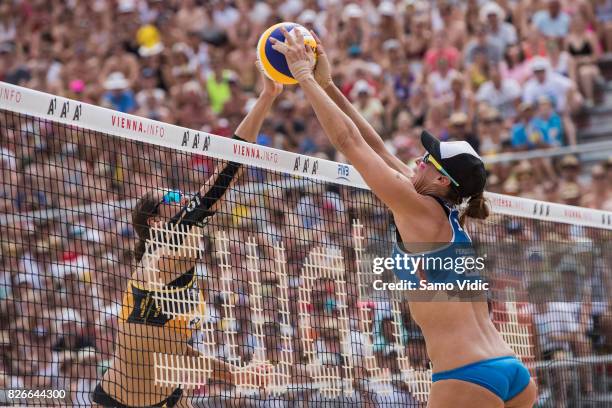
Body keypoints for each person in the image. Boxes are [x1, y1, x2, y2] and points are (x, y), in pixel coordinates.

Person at [270, 28, 537, 408]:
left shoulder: (420, 209)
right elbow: (377, 144)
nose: (417, 159)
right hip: (510, 370)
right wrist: (329, 86)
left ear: (442, 179)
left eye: (427, 160)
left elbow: (349, 143)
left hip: (468, 373)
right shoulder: (439, 208)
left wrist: (304, 76)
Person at [91, 66, 281, 408]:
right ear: (154, 222)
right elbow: (172, 261)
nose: (180, 201)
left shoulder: (182, 246)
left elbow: (230, 166)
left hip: (171, 397)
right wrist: (190, 238)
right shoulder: (155, 263)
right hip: (119, 402)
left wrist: (266, 97)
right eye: (172, 200)